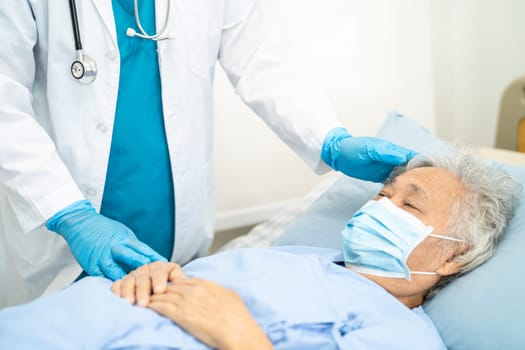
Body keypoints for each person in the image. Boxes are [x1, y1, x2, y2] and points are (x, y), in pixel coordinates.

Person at [0, 0, 417, 307]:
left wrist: (329, 139)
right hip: (64, 235)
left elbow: (264, 62)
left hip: (179, 241)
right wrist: (70, 216)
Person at [0, 151, 519, 349]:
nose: (381, 206)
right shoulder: (297, 255)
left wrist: (241, 338)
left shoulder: (400, 336)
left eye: (410, 206)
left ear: (455, 256)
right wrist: (154, 277)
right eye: (383, 193)